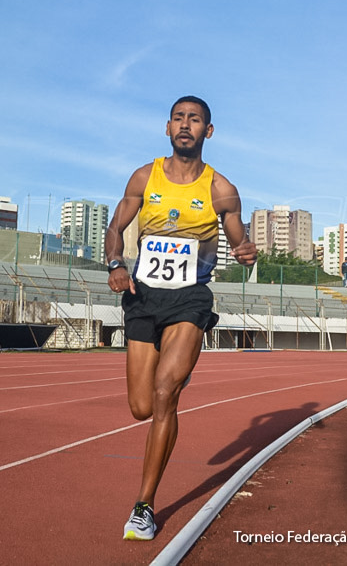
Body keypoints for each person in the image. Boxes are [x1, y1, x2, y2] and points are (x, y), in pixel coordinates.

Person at [105, 95, 257, 541]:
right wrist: (115, 263)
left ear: (208, 132)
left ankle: (143, 506)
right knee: (141, 407)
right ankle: (172, 381)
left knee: (165, 391)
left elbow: (240, 243)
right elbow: (116, 227)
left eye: (194, 120)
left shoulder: (220, 190)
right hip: (144, 296)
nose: (185, 125)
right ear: (167, 128)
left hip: (190, 298)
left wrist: (247, 251)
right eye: (178, 118)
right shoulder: (143, 177)